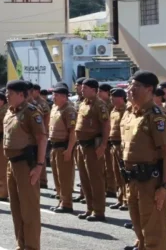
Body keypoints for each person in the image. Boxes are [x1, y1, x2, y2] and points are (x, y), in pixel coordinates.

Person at [122, 71, 166, 250]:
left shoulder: (156, 115)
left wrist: (164, 187)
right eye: (130, 85)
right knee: (139, 228)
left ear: (149, 89)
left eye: (135, 86)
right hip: (133, 179)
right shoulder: (130, 113)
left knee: (154, 234)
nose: (130, 89)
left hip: (151, 181)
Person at [3, 80, 47, 250]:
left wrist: (39, 166)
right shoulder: (10, 112)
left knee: (29, 209)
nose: (7, 96)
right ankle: (21, 244)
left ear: (21, 95)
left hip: (26, 165)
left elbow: (42, 139)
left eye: (10, 94)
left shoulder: (31, 112)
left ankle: (32, 246)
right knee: (16, 208)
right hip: (12, 164)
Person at [75, 78, 110, 222]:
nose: (82, 90)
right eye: (82, 87)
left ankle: (99, 211)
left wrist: (103, 145)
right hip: (82, 146)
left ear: (94, 90)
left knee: (96, 179)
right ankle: (89, 208)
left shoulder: (99, 105)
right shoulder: (83, 103)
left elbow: (106, 125)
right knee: (85, 178)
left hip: (93, 146)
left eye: (85, 88)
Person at [48, 83, 77, 214]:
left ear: (64, 97)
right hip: (54, 147)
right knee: (57, 176)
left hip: (63, 147)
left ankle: (67, 203)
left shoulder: (69, 110)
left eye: (57, 95)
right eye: (53, 94)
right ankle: (61, 200)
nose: (53, 97)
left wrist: (69, 150)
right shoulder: (55, 108)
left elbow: (72, 132)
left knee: (65, 177)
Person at [108, 88, 128, 211]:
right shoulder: (113, 111)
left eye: (114, 97)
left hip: (122, 145)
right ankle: (120, 198)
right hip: (114, 145)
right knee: (116, 174)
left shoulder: (126, 111)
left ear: (121, 98)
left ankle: (126, 200)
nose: (111, 99)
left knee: (124, 174)